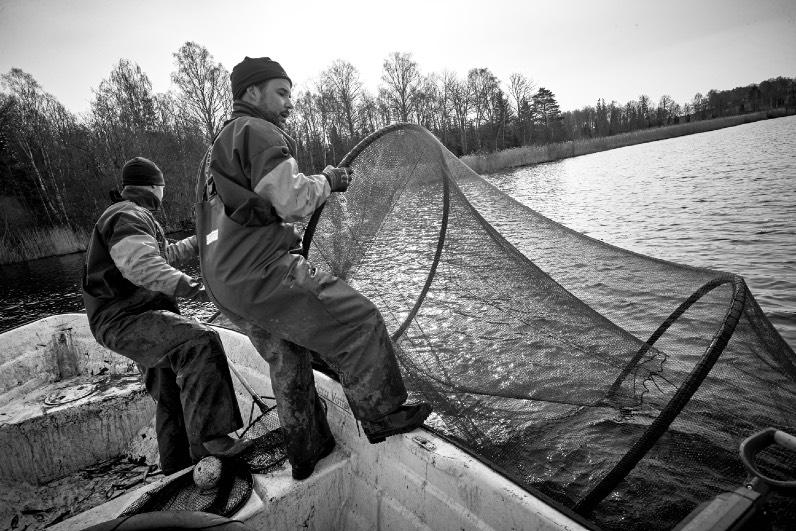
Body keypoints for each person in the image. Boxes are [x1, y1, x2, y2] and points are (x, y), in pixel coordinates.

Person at [198, 56, 432, 481]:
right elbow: (291, 199)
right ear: (251, 93)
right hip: (261, 274)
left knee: (287, 356)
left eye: (290, 94)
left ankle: (308, 451)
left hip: (224, 283)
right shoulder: (257, 132)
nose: (289, 104)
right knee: (358, 319)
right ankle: (381, 414)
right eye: (281, 93)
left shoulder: (217, 148)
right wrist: (327, 180)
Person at [82, 156, 252, 475]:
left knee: (170, 393)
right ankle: (211, 438)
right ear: (154, 186)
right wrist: (201, 290)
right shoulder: (128, 214)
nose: (163, 192)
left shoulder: (132, 216)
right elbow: (143, 267)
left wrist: (211, 238)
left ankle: (176, 469)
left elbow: (165, 255)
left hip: (130, 320)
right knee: (202, 342)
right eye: (162, 187)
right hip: (128, 319)